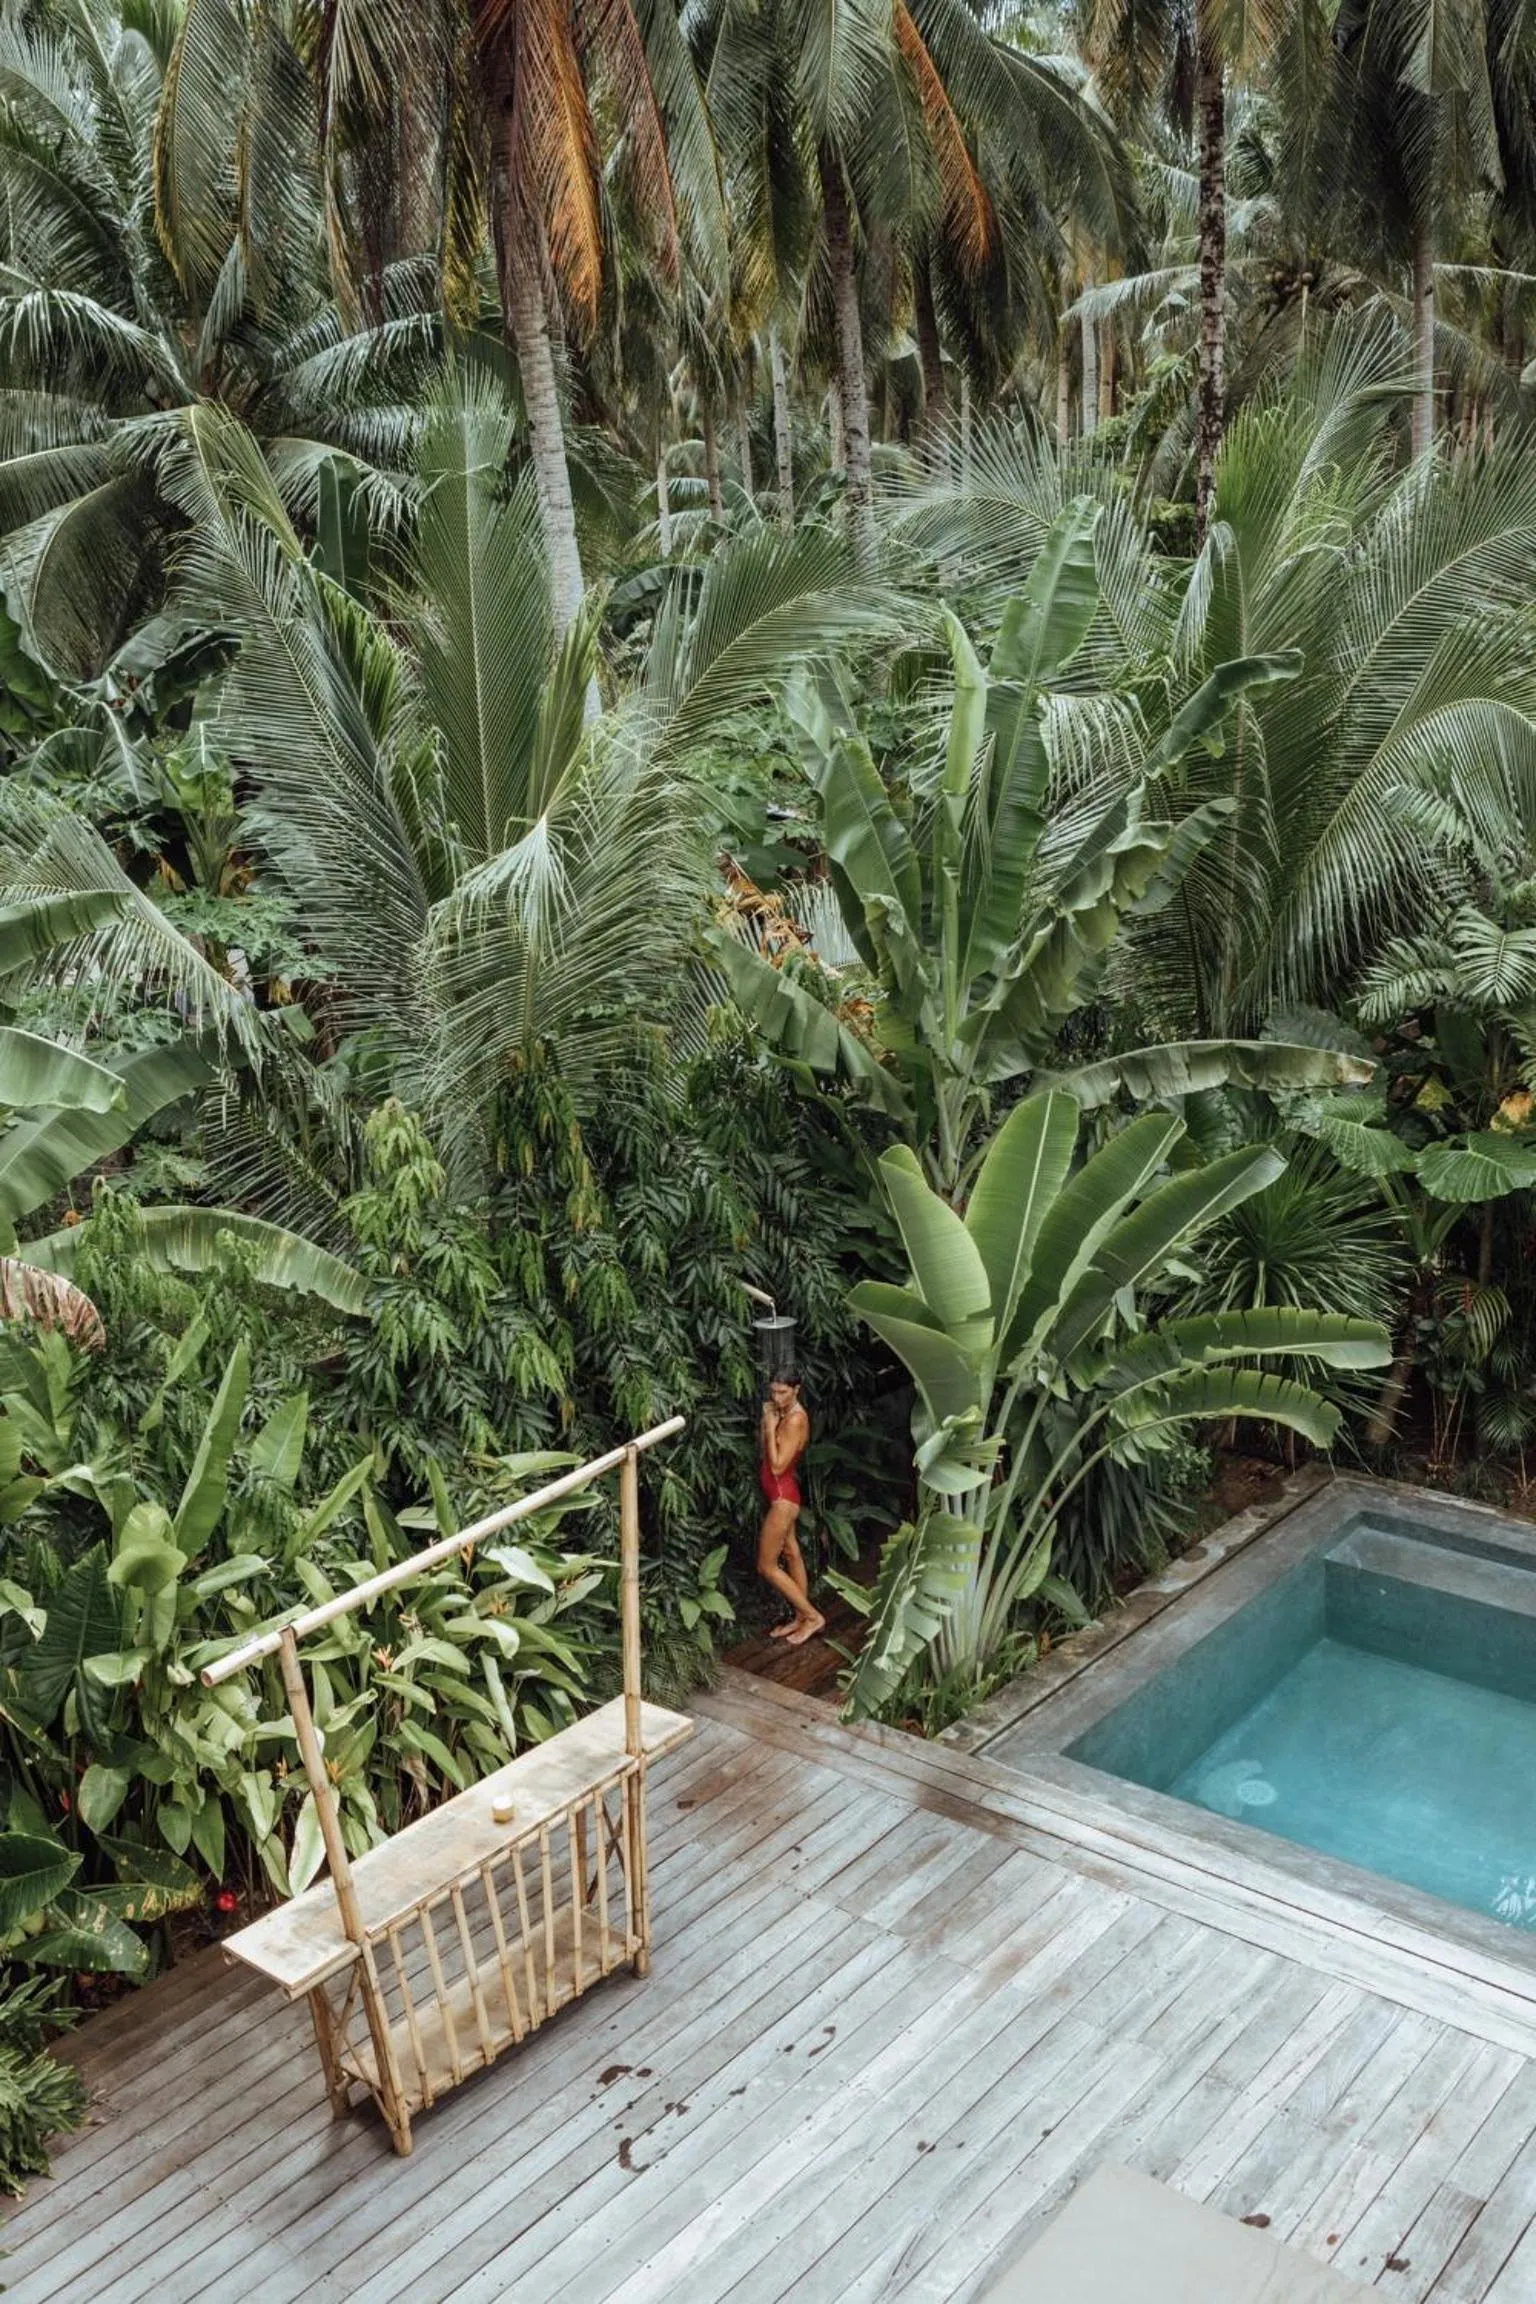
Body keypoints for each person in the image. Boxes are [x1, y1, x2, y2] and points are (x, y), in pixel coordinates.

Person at [756, 1369, 823, 1647]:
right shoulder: (782, 1413)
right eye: (773, 1391)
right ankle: (800, 1617)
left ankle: (813, 1616)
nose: (777, 1397)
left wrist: (771, 1429)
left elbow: (777, 1465)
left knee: (766, 1566)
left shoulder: (795, 1419)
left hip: (784, 1498)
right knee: (791, 1553)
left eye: (783, 1392)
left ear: (797, 1389)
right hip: (779, 1494)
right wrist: (767, 1424)